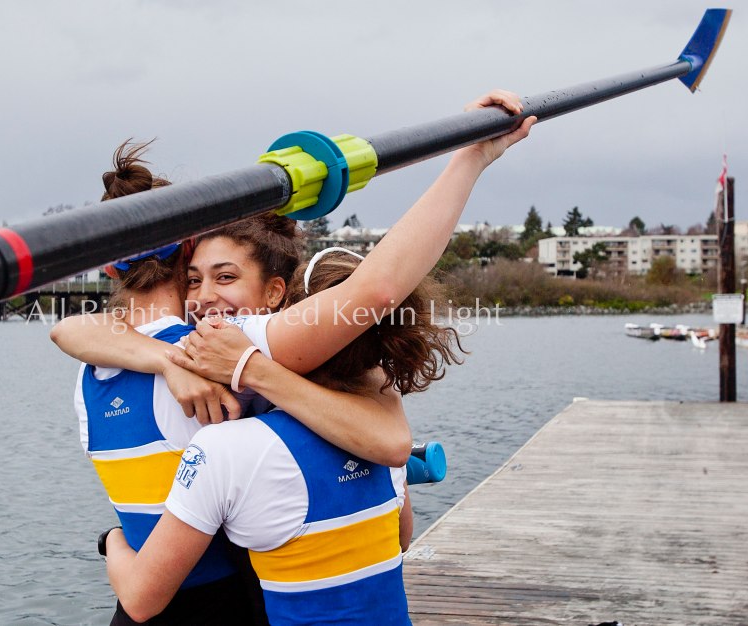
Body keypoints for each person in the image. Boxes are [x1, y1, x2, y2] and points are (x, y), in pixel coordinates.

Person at [99, 90, 536, 624]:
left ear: (278, 294)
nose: (205, 297)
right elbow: (74, 331)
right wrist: (167, 361)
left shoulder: (245, 343)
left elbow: (377, 292)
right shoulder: (213, 349)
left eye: (225, 277)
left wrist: (471, 157)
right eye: (194, 279)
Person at [52, 143, 416, 624]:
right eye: (203, 275)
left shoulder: (87, 374)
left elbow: (67, 329)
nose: (207, 296)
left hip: (140, 597)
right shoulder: (221, 352)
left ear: (107, 266)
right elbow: (367, 302)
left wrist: (114, 542)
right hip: (233, 605)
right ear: (188, 250)